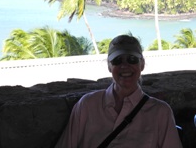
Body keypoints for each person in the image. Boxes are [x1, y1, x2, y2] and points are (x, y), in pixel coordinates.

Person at [55, 34, 183, 148]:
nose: (124, 66)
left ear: (142, 64)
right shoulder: (87, 106)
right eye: (117, 60)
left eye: (132, 59)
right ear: (109, 66)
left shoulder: (160, 113)